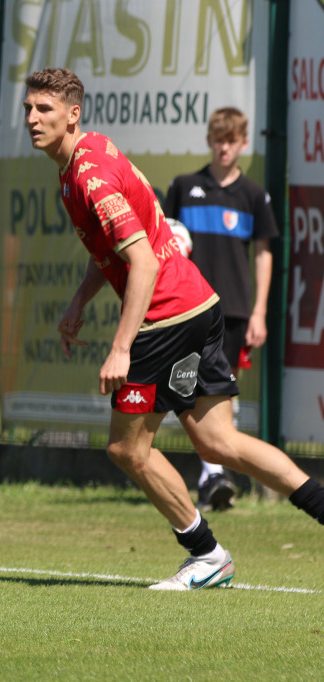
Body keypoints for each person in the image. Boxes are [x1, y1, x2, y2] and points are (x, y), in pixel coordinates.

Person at [23, 67, 324, 590]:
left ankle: (206, 555)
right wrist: (78, 301)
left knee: (127, 449)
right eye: (28, 108)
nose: (31, 118)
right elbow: (112, 249)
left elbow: (141, 262)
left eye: (44, 109)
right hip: (199, 304)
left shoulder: (89, 175)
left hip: (166, 318)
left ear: (73, 114)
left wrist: (121, 349)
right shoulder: (85, 158)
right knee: (218, 443)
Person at [164, 107, 279, 512]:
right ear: (210, 140)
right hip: (187, 310)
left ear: (243, 143)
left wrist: (259, 312)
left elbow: (264, 255)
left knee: (221, 390)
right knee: (190, 389)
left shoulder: (253, 196)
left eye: (232, 140)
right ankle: (211, 475)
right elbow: (165, 245)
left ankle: (211, 474)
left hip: (231, 311)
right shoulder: (184, 186)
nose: (224, 146)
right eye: (219, 139)